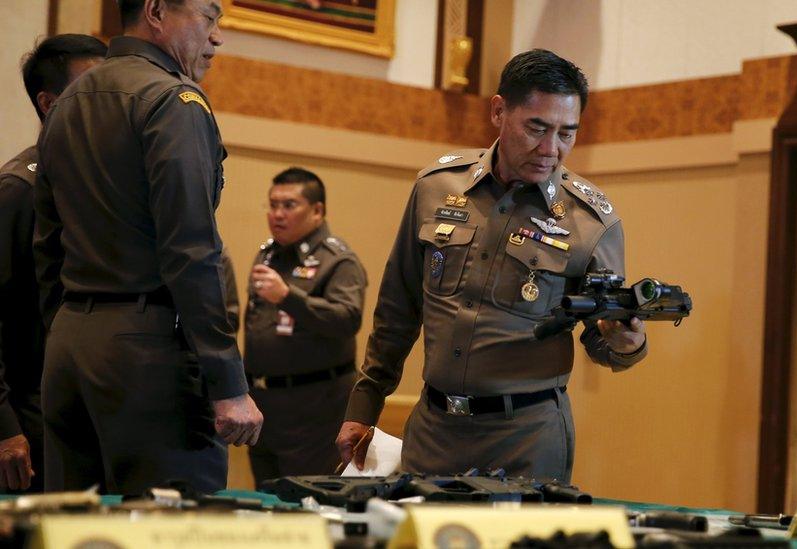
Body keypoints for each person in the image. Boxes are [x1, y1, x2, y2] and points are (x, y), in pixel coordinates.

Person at [337, 49, 647, 482]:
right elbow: (398, 307)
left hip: (526, 439)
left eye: (566, 133)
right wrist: (364, 405)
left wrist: (627, 343)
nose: (551, 149)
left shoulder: (591, 222)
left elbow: (602, 340)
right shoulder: (436, 187)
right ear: (499, 111)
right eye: (537, 128)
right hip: (434, 430)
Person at [33, 0, 263, 494]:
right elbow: (191, 251)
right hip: (149, 354)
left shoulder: (68, 102)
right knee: (175, 530)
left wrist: (66, 331)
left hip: (70, 347)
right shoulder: (173, 101)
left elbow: (47, 245)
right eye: (208, 17)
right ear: (157, 12)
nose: (217, 36)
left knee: (74, 532)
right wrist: (229, 384)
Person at [0, 34, 106, 493]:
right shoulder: (18, 190)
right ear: (50, 103)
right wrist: (4, 426)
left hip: (82, 409)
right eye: (93, 89)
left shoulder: (96, 184)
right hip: (29, 418)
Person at [245, 167, 366, 484]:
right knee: (267, 503)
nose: (277, 214)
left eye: (289, 205)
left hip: (314, 410)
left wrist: (288, 297)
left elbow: (347, 319)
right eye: (273, 205)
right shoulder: (267, 256)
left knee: (307, 503)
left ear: (317, 211)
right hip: (264, 407)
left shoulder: (338, 260)